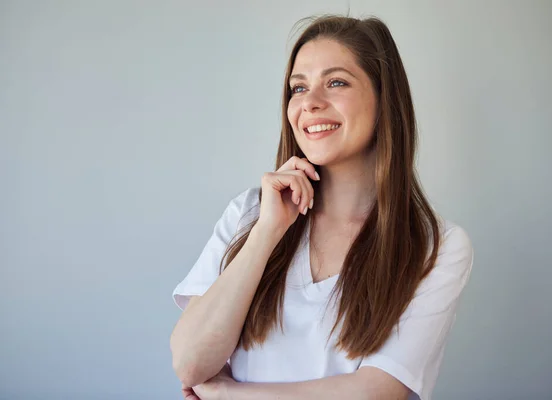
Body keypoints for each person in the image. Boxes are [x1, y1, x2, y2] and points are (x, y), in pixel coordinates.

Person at [170, 14, 474, 400]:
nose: (310, 104)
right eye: (298, 88)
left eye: (336, 82)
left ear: (384, 101)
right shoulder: (248, 213)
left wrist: (223, 394)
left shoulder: (438, 245)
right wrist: (266, 234)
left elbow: (375, 392)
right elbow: (190, 364)